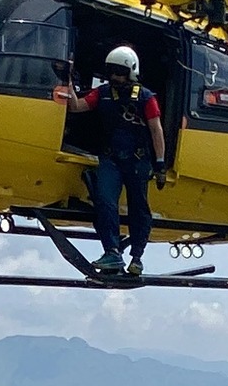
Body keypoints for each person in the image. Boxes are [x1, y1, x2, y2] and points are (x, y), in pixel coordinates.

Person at [61, 43, 167, 276]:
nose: (115, 77)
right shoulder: (103, 93)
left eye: (120, 72)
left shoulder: (146, 98)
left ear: (131, 72)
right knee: (105, 201)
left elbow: (156, 130)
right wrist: (67, 80)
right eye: (112, 72)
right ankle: (112, 252)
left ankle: (137, 256)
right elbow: (76, 106)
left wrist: (160, 163)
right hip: (111, 159)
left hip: (137, 161)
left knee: (139, 208)